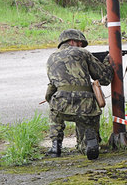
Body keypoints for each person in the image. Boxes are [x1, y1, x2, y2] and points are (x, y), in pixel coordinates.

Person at [45, 29, 113, 160]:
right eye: (80, 43)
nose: (82, 46)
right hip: (86, 105)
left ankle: (56, 146)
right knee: (87, 122)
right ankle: (88, 142)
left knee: (54, 110)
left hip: (61, 105)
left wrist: (51, 101)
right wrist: (106, 62)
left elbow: (52, 86)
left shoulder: (51, 58)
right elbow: (105, 79)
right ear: (72, 41)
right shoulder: (83, 53)